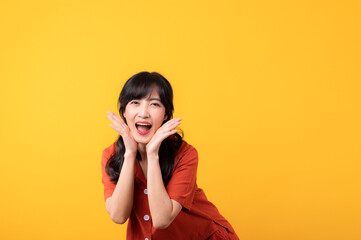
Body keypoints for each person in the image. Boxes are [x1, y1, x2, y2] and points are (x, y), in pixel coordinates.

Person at [101, 71, 239, 240]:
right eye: (135, 102)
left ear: (166, 114)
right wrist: (130, 153)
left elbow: (161, 220)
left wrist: (152, 155)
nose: (143, 113)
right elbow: (118, 216)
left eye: (154, 104)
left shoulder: (185, 154)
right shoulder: (111, 155)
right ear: (124, 111)